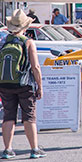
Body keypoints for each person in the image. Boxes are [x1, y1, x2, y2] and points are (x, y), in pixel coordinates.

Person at [0, 9, 46, 159]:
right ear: (24, 27)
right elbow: (35, 67)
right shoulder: (28, 42)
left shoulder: (3, 42)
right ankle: (34, 148)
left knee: (8, 117)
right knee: (29, 116)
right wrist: (40, 85)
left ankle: (7, 149)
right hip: (25, 84)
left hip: (5, 84)